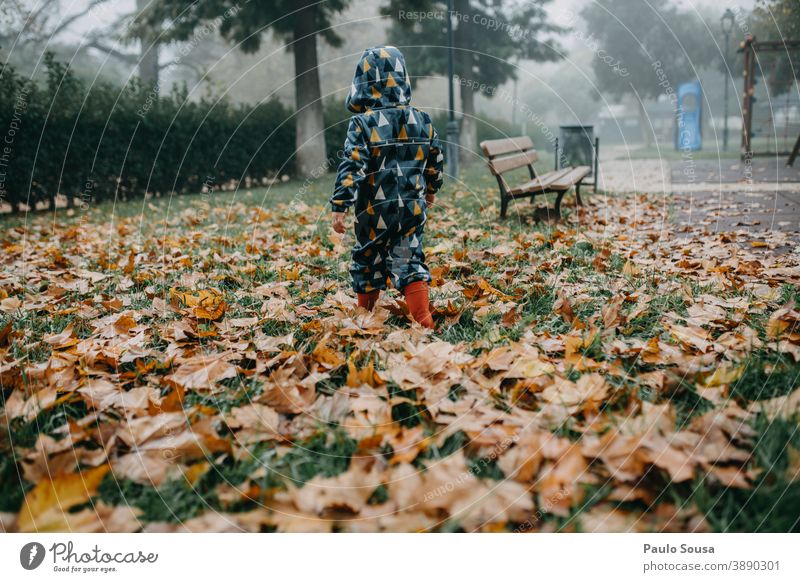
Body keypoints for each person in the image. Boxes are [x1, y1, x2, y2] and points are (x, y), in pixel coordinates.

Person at [331, 46, 444, 329]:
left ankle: (365, 316)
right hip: (410, 208)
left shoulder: (362, 123)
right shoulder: (422, 120)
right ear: (403, 77)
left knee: (367, 258)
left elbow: (352, 165)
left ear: (363, 82)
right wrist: (431, 190)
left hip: (373, 212)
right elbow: (435, 159)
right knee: (409, 258)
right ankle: (423, 319)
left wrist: (340, 205)